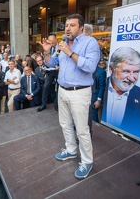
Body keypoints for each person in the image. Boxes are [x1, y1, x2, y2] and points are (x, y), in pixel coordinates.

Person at [39, 13, 100, 179]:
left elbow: (90, 67)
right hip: (63, 90)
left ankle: (87, 161)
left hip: (80, 92)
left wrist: (70, 52)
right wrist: (46, 53)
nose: (67, 28)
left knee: (82, 130)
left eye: (72, 25)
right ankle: (71, 150)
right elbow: (53, 64)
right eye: (66, 25)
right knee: (65, 124)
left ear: (80, 27)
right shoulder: (63, 44)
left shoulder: (90, 42)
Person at [102, 47, 140, 142]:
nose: (132, 78)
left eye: (136, 72)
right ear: (111, 69)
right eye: (126, 71)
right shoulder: (97, 87)